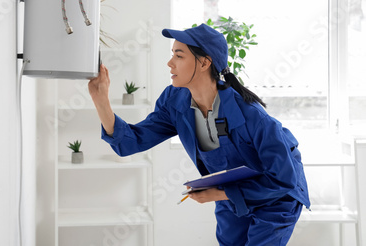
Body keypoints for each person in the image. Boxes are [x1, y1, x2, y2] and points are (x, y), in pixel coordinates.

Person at [88, 23, 310, 246]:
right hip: (230, 193)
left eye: (179, 55)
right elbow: (131, 143)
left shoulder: (252, 116)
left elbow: (284, 180)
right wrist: (101, 101)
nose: (170, 63)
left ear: (204, 62)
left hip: (276, 196)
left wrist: (219, 194)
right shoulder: (174, 101)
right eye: (172, 54)